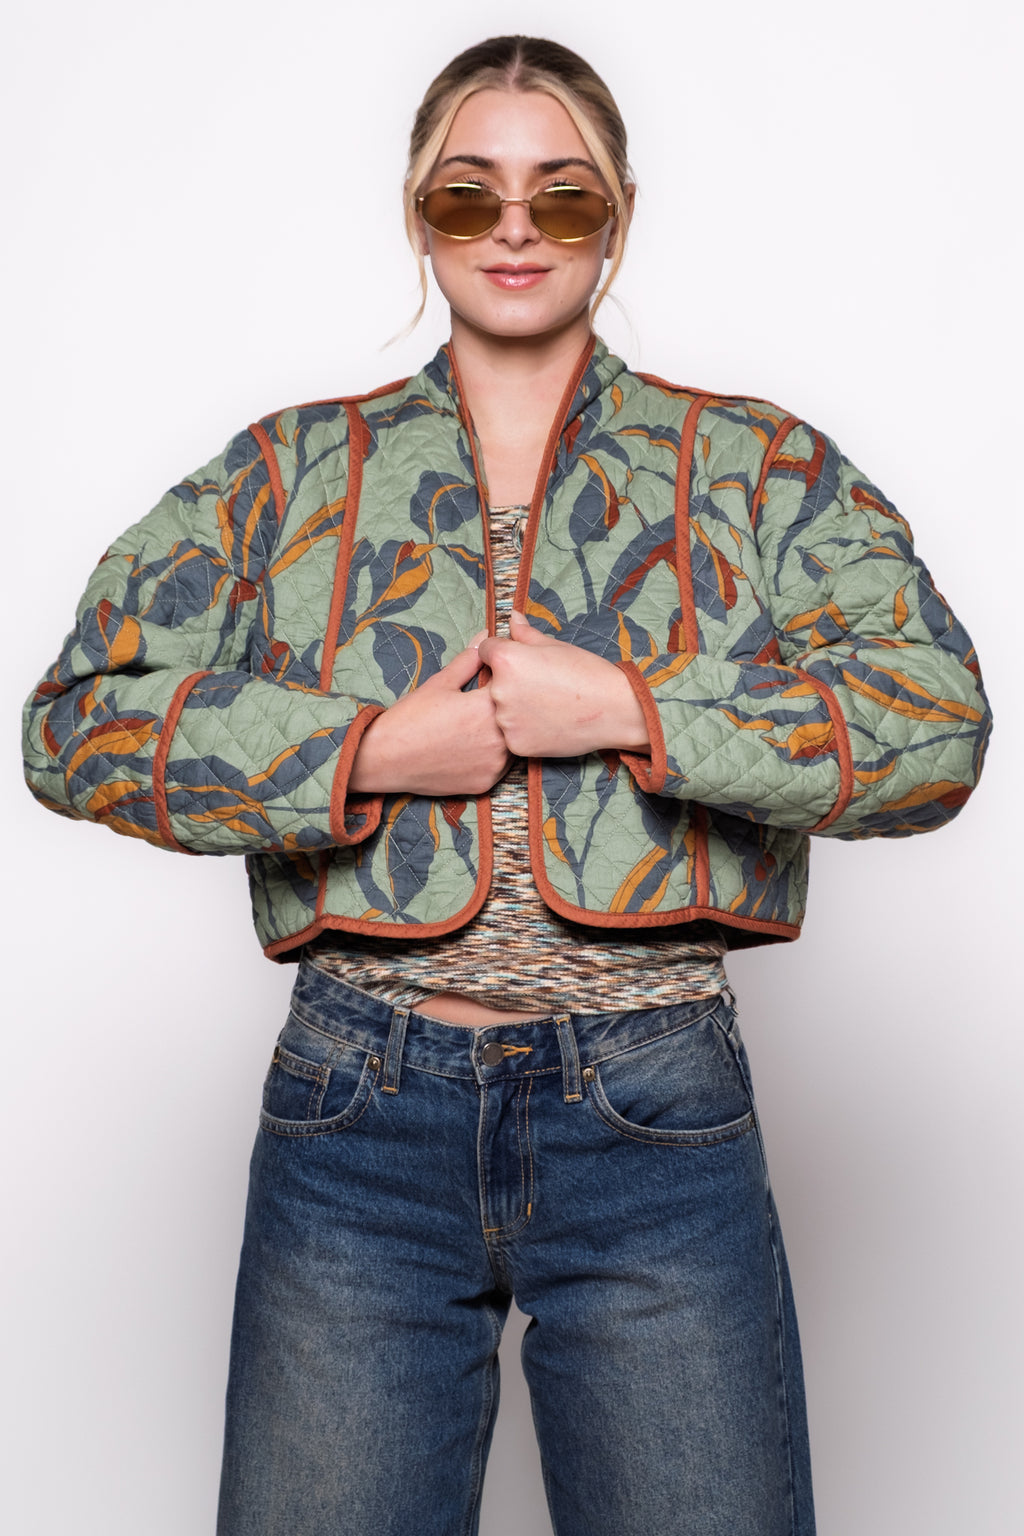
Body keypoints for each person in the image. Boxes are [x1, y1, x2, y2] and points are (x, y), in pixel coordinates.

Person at [21, 33, 990, 1536]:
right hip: (358, 1118)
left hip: (656, 1109)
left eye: (565, 195)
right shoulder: (288, 475)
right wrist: (366, 753)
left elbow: (936, 723)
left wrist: (628, 711)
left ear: (621, 216)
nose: (517, 229)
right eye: (469, 195)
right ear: (419, 216)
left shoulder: (755, 468)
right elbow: (76, 722)